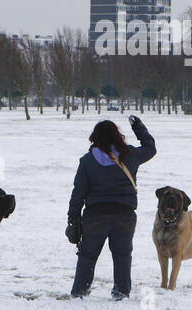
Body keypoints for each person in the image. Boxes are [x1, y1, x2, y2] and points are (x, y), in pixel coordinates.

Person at [65, 115, 156, 299]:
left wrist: (73, 218)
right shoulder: (130, 155)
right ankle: (121, 292)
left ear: (95, 138)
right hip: (124, 215)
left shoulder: (87, 161)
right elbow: (150, 148)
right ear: (118, 136)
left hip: (94, 216)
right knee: (122, 255)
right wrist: (138, 126)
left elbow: (78, 193)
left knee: (87, 255)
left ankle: (80, 291)